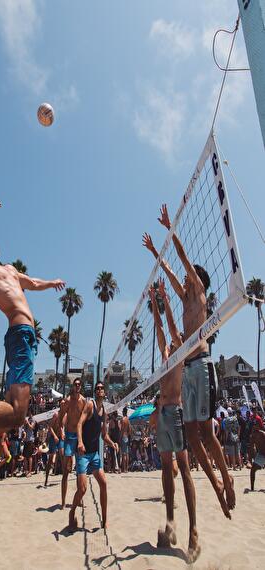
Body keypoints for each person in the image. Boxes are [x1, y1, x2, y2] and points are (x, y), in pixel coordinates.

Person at [143, 203, 235, 519]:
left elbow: (182, 260)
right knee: (194, 437)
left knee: (206, 434)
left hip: (203, 365)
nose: (183, 278)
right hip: (189, 367)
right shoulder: (184, 300)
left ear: (197, 279)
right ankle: (218, 486)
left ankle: (227, 477)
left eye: (188, 276)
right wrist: (156, 251)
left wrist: (170, 229)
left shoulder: (198, 292)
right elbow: (171, 270)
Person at [0, 219, 65, 449]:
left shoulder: (9, 270)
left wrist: (51, 283)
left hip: (24, 337)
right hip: (19, 336)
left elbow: (34, 282)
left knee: (5, 421)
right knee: (18, 415)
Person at [148, 279, 199, 562]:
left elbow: (167, 323)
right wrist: (154, 301)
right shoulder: (166, 354)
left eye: (175, 333)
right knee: (166, 469)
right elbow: (159, 326)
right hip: (164, 413)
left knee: (184, 468)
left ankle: (193, 531)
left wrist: (165, 297)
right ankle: (170, 525)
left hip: (176, 413)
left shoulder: (179, 349)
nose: (171, 335)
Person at [68, 381, 118, 531]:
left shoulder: (104, 412)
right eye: (97, 388)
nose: (100, 390)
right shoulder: (90, 405)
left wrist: (112, 443)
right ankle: (72, 512)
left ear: (105, 392)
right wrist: (80, 442)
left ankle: (104, 520)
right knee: (82, 489)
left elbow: (104, 435)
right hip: (83, 453)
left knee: (103, 483)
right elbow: (79, 424)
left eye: (102, 388)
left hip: (95, 454)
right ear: (95, 392)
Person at [58, 379, 86, 508]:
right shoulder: (68, 401)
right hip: (69, 437)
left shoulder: (83, 401)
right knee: (66, 470)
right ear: (73, 386)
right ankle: (63, 502)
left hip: (79, 437)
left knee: (80, 470)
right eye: (75, 384)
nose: (77, 386)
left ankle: (79, 499)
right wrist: (60, 430)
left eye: (79, 384)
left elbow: (86, 419)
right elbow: (60, 415)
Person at [250, 426, 265, 491]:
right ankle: (252, 488)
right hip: (261, 454)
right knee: (253, 469)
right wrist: (250, 461)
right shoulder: (252, 436)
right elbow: (251, 448)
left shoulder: (263, 434)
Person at [120, 407, 132, 473]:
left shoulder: (123, 419)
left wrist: (120, 437)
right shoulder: (128, 419)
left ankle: (124, 469)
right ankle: (126, 468)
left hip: (123, 436)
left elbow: (121, 430)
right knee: (127, 454)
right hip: (127, 436)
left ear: (123, 412)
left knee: (123, 454)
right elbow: (130, 430)